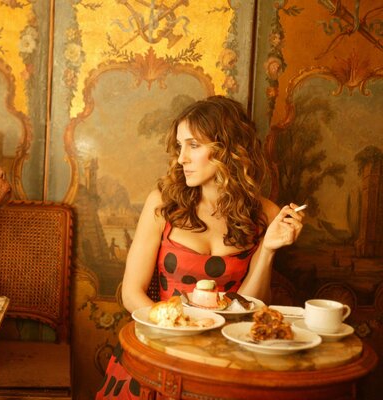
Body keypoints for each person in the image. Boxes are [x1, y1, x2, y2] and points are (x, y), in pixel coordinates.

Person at [95, 95, 305, 399]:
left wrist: (269, 250)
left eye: (193, 145)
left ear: (227, 149)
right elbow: (131, 293)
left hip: (227, 357)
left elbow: (249, 306)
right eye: (180, 146)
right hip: (161, 348)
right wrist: (178, 331)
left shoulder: (267, 214)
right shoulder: (163, 202)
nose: (181, 158)